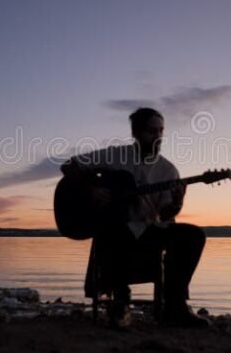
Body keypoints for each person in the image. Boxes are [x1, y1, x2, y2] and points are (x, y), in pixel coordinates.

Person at [61, 107, 209, 328]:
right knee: (113, 229)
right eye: (152, 131)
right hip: (115, 231)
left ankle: (174, 307)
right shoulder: (115, 155)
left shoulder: (168, 171)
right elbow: (69, 166)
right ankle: (121, 303)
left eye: (161, 131)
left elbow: (166, 214)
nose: (158, 136)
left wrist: (177, 202)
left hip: (148, 230)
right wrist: (90, 190)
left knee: (194, 235)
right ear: (137, 133)